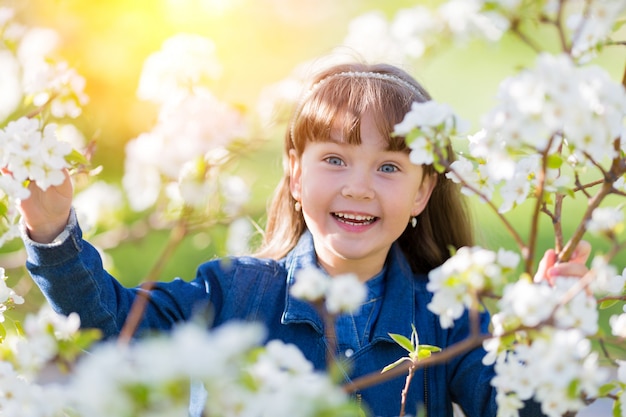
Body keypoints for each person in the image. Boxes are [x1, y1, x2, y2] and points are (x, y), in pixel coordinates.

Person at [17, 62, 590, 417]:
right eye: (335, 160)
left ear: (422, 192)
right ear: (294, 173)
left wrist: (549, 334)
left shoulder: (443, 317)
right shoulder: (234, 293)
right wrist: (53, 234)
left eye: (389, 168)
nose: (359, 188)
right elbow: (113, 327)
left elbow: (523, 409)